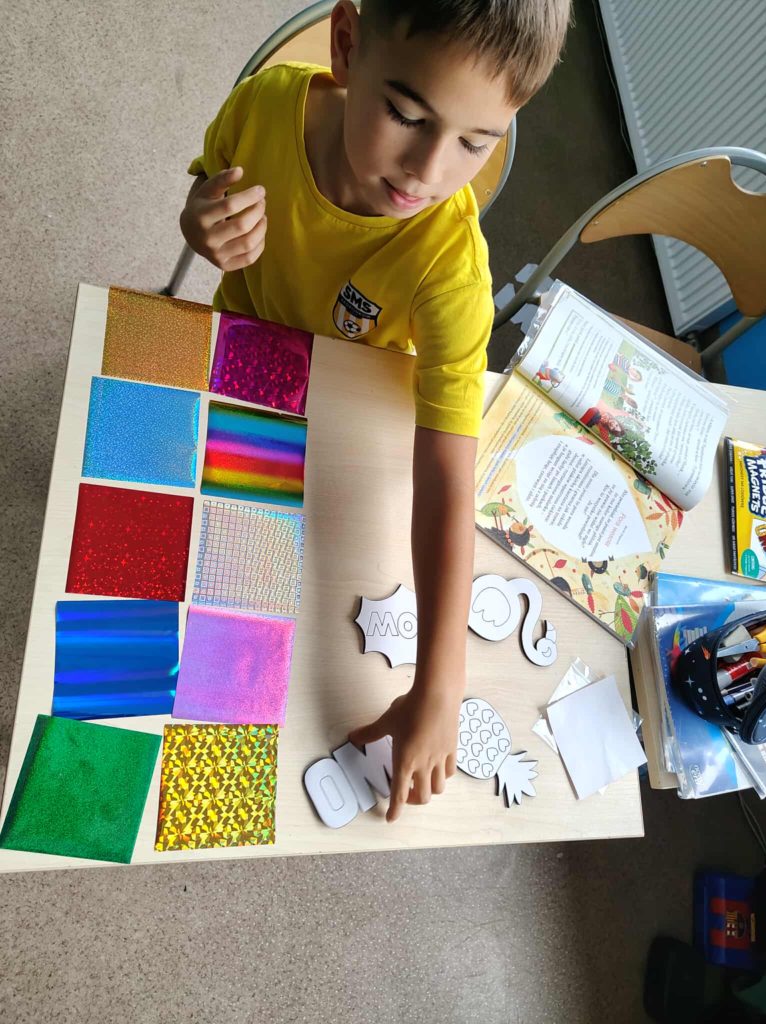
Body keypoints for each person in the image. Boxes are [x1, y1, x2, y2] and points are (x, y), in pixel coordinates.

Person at [180, 0, 571, 822]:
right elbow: (205, 185)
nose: (428, 171)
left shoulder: (452, 269)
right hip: (237, 367)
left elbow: (449, 477)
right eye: (406, 115)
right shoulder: (265, 106)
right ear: (348, 44)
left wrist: (441, 684)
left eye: (476, 142)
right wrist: (201, 220)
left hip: (345, 427)